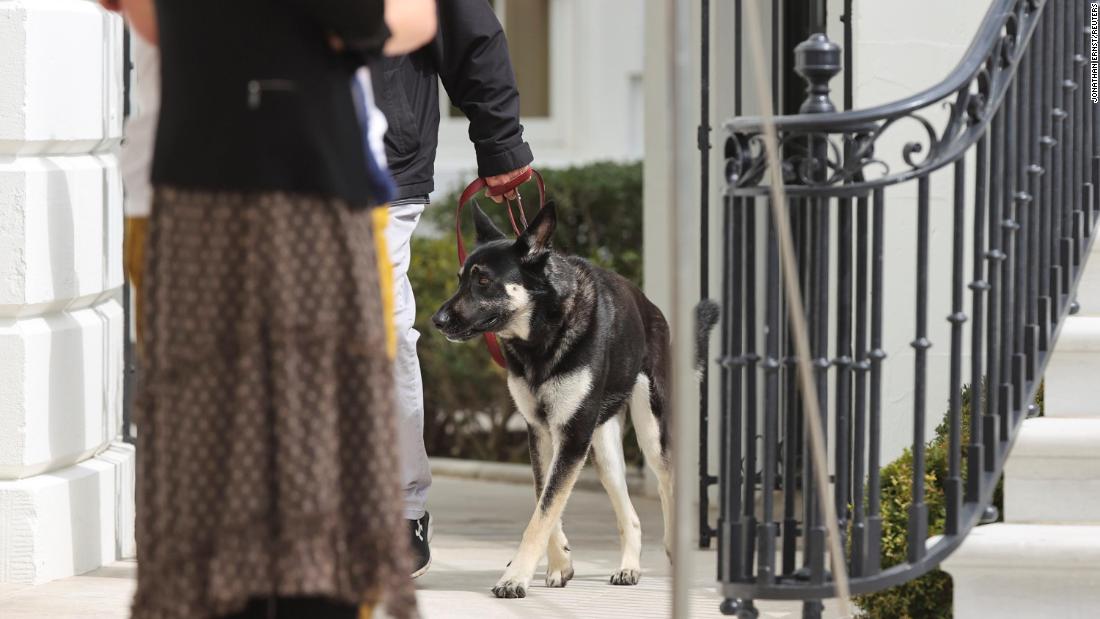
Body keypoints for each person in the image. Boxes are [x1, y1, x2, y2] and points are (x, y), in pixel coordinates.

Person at [100, 1, 436, 618]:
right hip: (198, 178)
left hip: (322, 179)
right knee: (208, 434)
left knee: (323, 439)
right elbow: (154, 18)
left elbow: (408, 18)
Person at [371, 0, 534, 578]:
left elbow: (467, 28)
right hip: (260, 164)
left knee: (380, 333)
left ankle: (401, 508)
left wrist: (501, 143)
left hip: (380, 163)